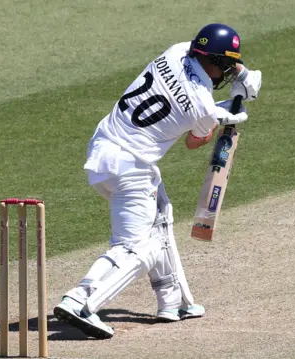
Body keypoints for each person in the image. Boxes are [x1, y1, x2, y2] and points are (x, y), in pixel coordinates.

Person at [53, 23, 262, 339]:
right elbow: (195, 141)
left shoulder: (178, 50)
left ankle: (172, 301)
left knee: (161, 215)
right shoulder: (203, 107)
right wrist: (229, 115)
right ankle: (81, 300)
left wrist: (243, 77)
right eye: (228, 65)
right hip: (129, 169)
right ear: (216, 62)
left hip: (103, 150)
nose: (229, 71)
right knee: (138, 246)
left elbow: (200, 102)